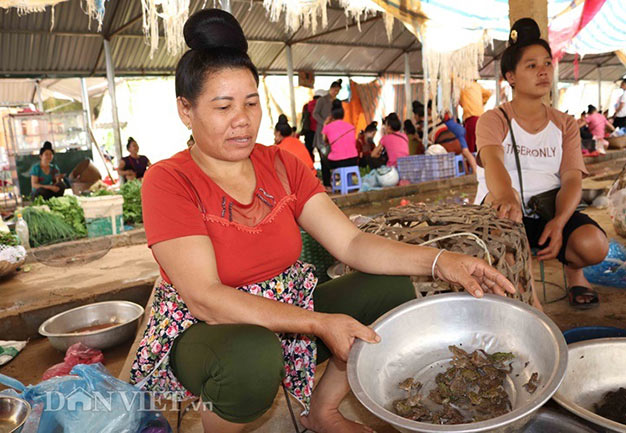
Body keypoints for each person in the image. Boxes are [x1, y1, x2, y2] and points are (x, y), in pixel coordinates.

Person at [129, 9, 516, 433]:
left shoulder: (281, 165)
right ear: (186, 110)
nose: (242, 119)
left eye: (251, 102)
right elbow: (204, 297)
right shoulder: (168, 180)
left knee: (388, 289)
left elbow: (350, 244)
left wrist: (441, 261)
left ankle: (323, 410)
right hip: (202, 326)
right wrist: (318, 322)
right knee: (252, 358)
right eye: (223, 106)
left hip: (289, 302)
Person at [474, 17, 608, 310]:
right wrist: (507, 198)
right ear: (511, 76)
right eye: (531, 65)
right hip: (504, 206)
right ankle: (529, 298)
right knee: (505, 224)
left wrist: (560, 222)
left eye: (547, 63)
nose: (543, 71)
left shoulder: (565, 124)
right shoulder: (493, 119)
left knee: (594, 245)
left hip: (549, 208)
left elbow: (572, 179)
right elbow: (493, 162)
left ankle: (574, 272)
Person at [313, 80, 342, 187]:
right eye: (335, 90)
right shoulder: (322, 100)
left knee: (332, 157)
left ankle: (333, 181)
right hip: (322, 132)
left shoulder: (337, 102)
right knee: (323, 158)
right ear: (330, 89)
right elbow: (315, 114)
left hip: (333, 134)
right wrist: (324, 123)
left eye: (338, 91)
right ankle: (326, 183)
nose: (336, 92)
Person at [321, 100, 358, 172]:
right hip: (353, 160)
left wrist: (325, 124)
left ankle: (327, 181)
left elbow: (325, 141)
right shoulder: (351, 127)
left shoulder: (328, 127)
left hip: (337, 162)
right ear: (343, 114)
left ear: (331, 115)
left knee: (323, 159)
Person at [460, 80, 492, 153]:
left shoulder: (463, 85)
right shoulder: (477, 85)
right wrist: (481, 102)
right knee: (479, 145)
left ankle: (471, 164)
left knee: (470, 147)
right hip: (481, 118)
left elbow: (452, 76)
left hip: (471, 118)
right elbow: (488, 93)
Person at [300, 92, 323, 161]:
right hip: (320, 132)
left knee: (309, 153)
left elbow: (303, 118)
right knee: (322, 154)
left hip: (309, 132)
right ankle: (325, 171)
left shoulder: (306, 106)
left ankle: (310, 169)